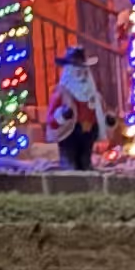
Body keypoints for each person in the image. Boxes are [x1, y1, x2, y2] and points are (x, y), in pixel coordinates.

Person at [49, 43, 102, 173]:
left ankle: (86, 164)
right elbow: (51, 119)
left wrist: (108, 120)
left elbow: (102, 112)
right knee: (70, 156)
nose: (82, 76)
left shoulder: (94, 95)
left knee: (85, 156)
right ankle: (69, 166)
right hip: (69, 133)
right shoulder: (61, 94)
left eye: (84, 72)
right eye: (78, 72)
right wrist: (62, 115)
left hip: (88, 131)